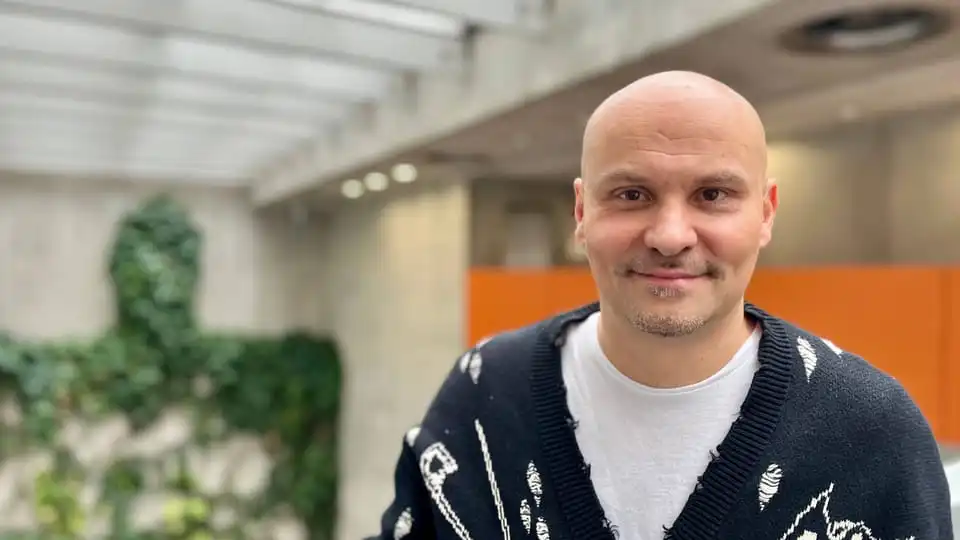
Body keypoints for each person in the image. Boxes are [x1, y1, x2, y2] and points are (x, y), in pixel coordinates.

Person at [367, 71, 953, 540]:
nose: (670, 235)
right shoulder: (486, 395)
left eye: (712, 195)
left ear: (766, 213)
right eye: (631, 194)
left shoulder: (871, 434)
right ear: (581, 212)